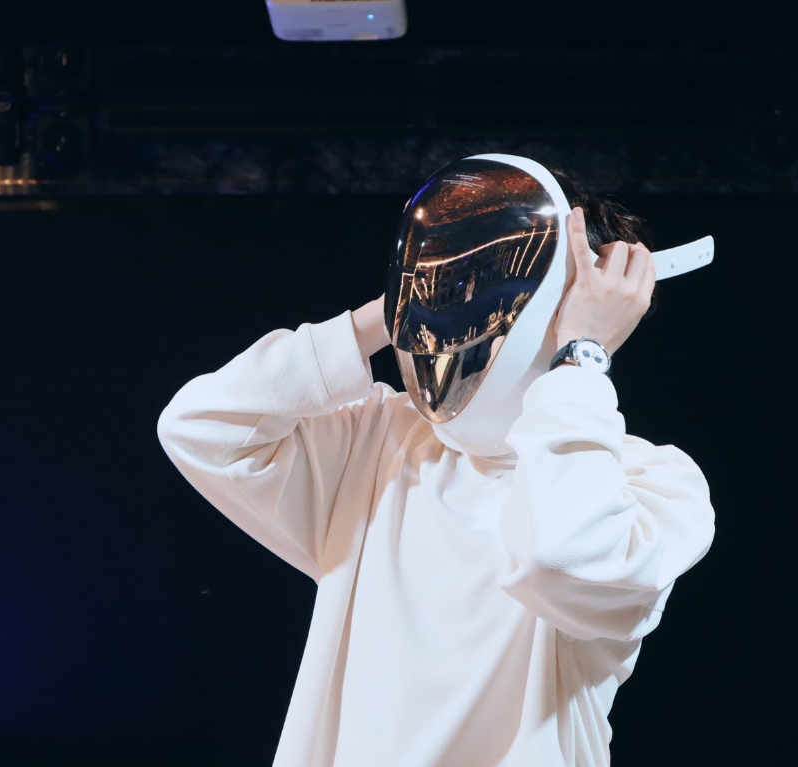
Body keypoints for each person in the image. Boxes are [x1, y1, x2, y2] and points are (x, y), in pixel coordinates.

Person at [157, 156, 714, 767]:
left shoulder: (650, 482)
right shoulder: (380, 440)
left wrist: (582, 354)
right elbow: (202, 426)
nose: (469, 310)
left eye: (502, 287)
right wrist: (395, 309)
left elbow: (560, 555)